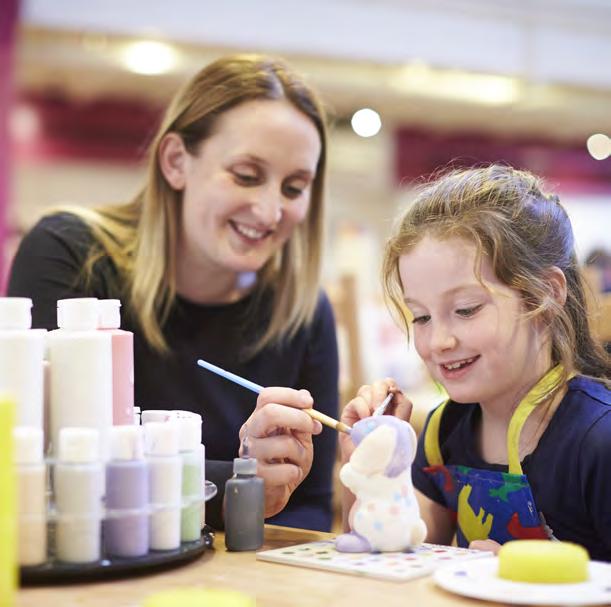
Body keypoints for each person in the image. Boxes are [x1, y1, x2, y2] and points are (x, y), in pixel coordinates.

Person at [8, 54, 339, 532]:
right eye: (246, 175)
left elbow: (310, 509)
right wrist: (241, 486)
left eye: (294, 188)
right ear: (176, 161)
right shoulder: (70, 255)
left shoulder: (303, 311)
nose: (270, 211)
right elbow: (51, 471)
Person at [339, 165, 611, 560]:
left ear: (546, 296)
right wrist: (372, 469)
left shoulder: (599, 439)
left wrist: (539, 578)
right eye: (421, 317)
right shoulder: (442, 430)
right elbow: (391, 554)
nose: (439, 341)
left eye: (466, 309)